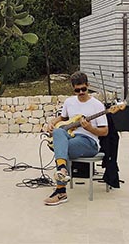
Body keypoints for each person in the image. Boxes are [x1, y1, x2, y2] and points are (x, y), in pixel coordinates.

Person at [42, 71, 108, 206]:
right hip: (70, 137)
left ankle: (60, 190)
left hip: (88, 142)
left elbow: (105, 131)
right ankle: (62, 170)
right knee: (58, 132)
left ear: (88, 85)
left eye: (84, 89)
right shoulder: (69, 102)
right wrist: (52, 122)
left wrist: (90, 128)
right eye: (77, 90)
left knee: (61, 148)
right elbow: (63, 118)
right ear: (73, 89)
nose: (81, 92)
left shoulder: (97, 105)